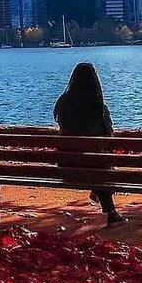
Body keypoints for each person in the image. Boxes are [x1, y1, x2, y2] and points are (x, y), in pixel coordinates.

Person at [53, 62, 125, 226]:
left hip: (67, 166)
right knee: (101, 165)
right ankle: (110, 212)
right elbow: (109, 136)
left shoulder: (63, 103)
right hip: (94, 168)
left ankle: (99, 194)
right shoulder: (98, 107)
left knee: (97, 164)